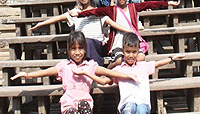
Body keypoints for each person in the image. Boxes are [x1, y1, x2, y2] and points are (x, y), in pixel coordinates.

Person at [10, 31, 138, 114]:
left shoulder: (90, 65)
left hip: (85, 102)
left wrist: (127, 75)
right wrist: (27, 75)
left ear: (85, 49)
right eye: (73, 49)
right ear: (68, 50)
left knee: (84, 107)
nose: (77, 52)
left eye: (80, 48)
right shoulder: (64, 66)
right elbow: (46, 72)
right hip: (68, 103)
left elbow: (108, 72)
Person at [69, 0, 180, 68]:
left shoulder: (133, 7)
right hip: (118, 42)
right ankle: (108, 70)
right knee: (118, 60)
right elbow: (94, 12)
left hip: (131, 40)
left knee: (141, 57)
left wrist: (167, 3)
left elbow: (149, 4)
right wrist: (79, 14)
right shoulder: (111, 10)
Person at [77, 32, 185, 114]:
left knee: (141, 110)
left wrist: (172, 58)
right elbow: (104, 80)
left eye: (134, 52)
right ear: (123, 51)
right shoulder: (119, 69)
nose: (131, 55)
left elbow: (157, 64)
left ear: (138, 52)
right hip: (126, 104)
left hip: (143, 103)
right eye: (128, 52)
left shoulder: (143, 66)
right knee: (130, 107)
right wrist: (87, 74)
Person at [30, 0, 134, 66]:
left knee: (87, 41)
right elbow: (57, 18)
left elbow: (113, 23)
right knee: (78, 42)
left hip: (95, 46)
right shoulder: (75, 12)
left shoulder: (98, 12)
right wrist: (40, 24)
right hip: (80, 47)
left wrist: (129, 30)